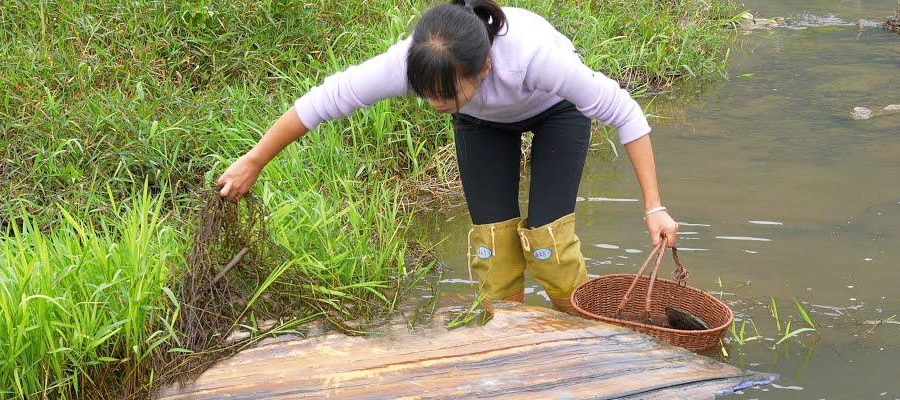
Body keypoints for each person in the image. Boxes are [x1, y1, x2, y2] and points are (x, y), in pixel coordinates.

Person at [217, 0, 679, 314]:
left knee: (549, 246)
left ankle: (588, 338)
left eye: (447, 94)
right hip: (480, 124)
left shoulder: (534, 59)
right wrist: (254, 161)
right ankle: (508, 351)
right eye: (428, 95)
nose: (437, 104)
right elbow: (323, 101)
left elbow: (626, 113)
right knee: (493, 252)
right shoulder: (411, 62)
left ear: (485, 69)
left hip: (555, 114)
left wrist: (654, 207)